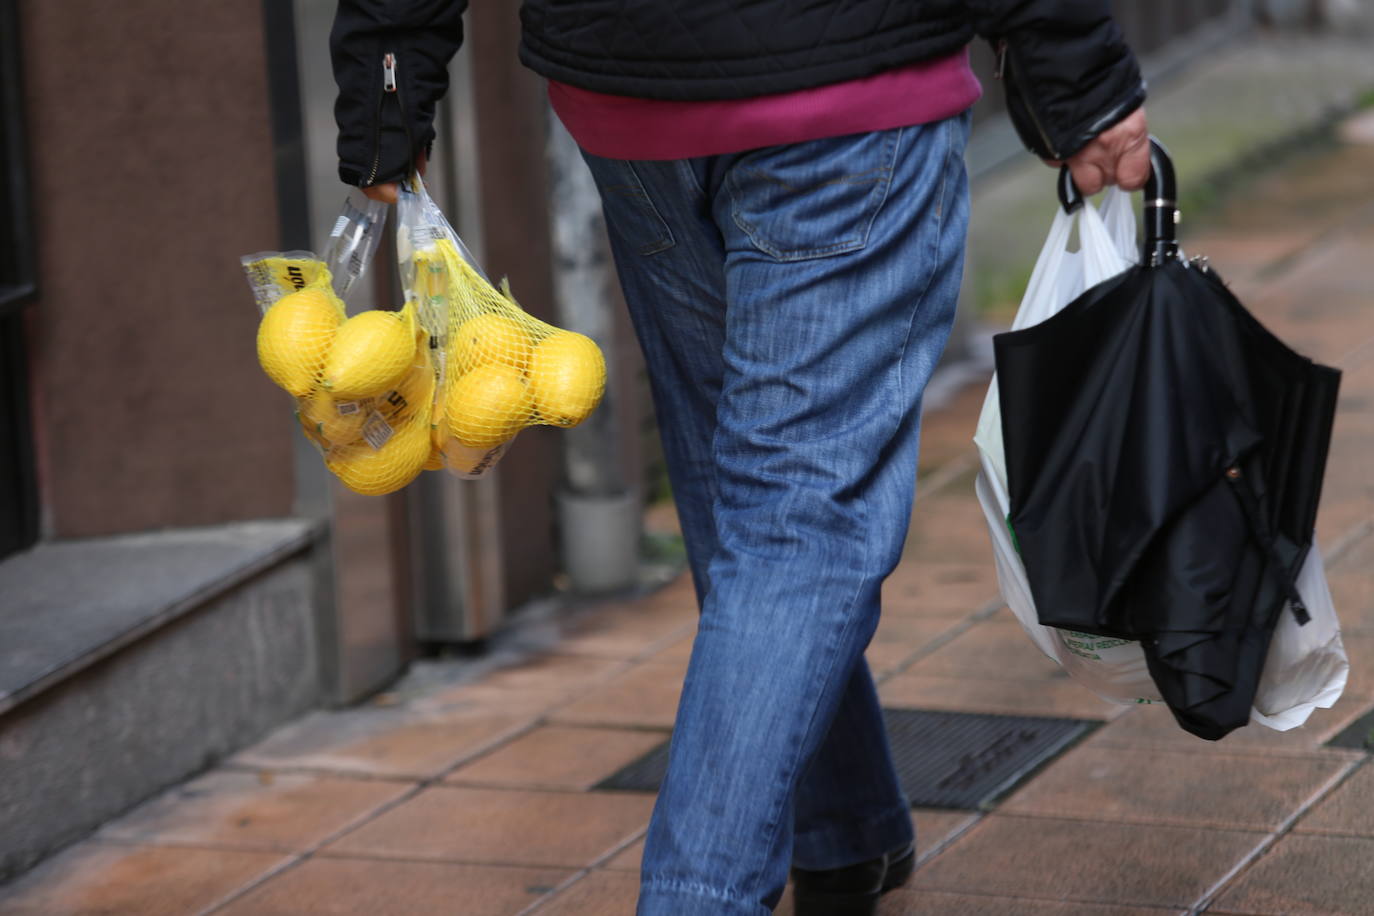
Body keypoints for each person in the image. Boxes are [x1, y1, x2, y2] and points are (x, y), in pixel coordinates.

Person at [332, 3, 1149, 914]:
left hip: (630, 93)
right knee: (792, 528)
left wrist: (387, 75)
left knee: (748, 501)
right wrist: (1079, 74)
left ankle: (845, 831)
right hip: (843, 87)